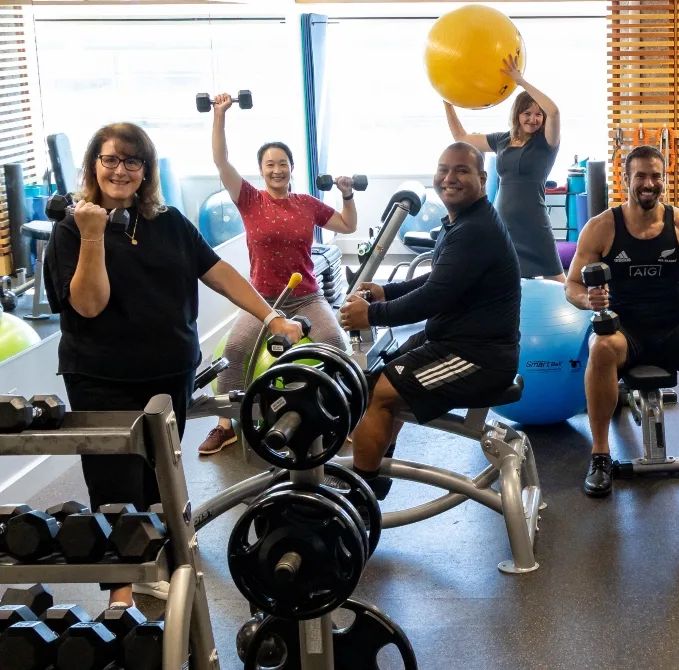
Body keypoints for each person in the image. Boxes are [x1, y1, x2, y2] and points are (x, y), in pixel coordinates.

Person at [44, 123, 303, 608]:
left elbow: (218, 272)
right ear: (92, 166)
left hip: (168, 374)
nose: (120, 170)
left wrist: (272, 316)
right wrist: (93, 235)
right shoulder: (71, 230)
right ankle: (119, 601)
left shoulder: (169, 222)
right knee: (114, 488)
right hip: (103, 380)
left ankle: (153, 561)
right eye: (110, 160)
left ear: (146, 170)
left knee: (157, 476)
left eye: (132, 161)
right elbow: (89, 305)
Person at [338, 142, 521, 501]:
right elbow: (440, 279)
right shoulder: (464, 222)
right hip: (452, 341)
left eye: (461, 171)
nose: (449, 178)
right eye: (443, 170)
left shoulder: (475, 230)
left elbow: (432, 298)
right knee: (375, 382)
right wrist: (387, 292)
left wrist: (372, 313)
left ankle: (360, 494)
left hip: (479, 358)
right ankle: (374, 473)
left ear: (482, 179)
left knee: (380, 395)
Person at [565, 144, 679, 498]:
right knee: (601, 347)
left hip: (673, 326)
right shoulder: (601, 228)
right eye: (640, 175)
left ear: (664, 180)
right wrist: (588, 299)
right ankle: (600, 455)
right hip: (624, 329)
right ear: (626, 179)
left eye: (655, 176)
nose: (648, 183)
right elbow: (572, 285)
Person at [200, 93, 359, 456]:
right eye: (270, 164)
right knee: (236, 351)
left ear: (291, 167)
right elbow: (220, 159)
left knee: (334, 346)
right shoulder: (249, 199)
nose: (277, 169)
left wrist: (347, 194)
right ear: (261, 169)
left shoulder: (306, 204)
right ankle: (225, 426)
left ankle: (335, 413)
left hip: (306, 295)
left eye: (283, 163)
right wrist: (220, 114)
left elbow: (348, 225)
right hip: (261, 299)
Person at [445, 56, 565, 281]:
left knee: (558, 281)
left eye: (538, 114)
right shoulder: (502, 140)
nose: (533, 119)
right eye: (527, 113)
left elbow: (555, 112)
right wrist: (447, 103)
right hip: (503, 222)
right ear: (517, 114)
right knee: (503, 280)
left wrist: (520, 81)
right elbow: (460, 137)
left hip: (534, 223)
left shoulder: (547, 143)